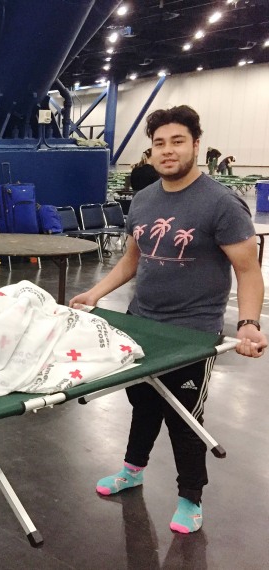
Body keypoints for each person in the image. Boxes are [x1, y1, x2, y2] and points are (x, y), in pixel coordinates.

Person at [69, 105, 266, 535]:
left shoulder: (221, 203)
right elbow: (131, 260)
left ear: (196, 145)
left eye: (177, 141)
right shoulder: (143, 200)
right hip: (141, 324)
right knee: (143, 403)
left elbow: (248, 271)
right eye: (160, 143)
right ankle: (132, 470)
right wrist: (94, 294)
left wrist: (248, 323)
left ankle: (190, 497)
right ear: (152, 151)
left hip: (192, 335)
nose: (168, 151)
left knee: (184, 416)